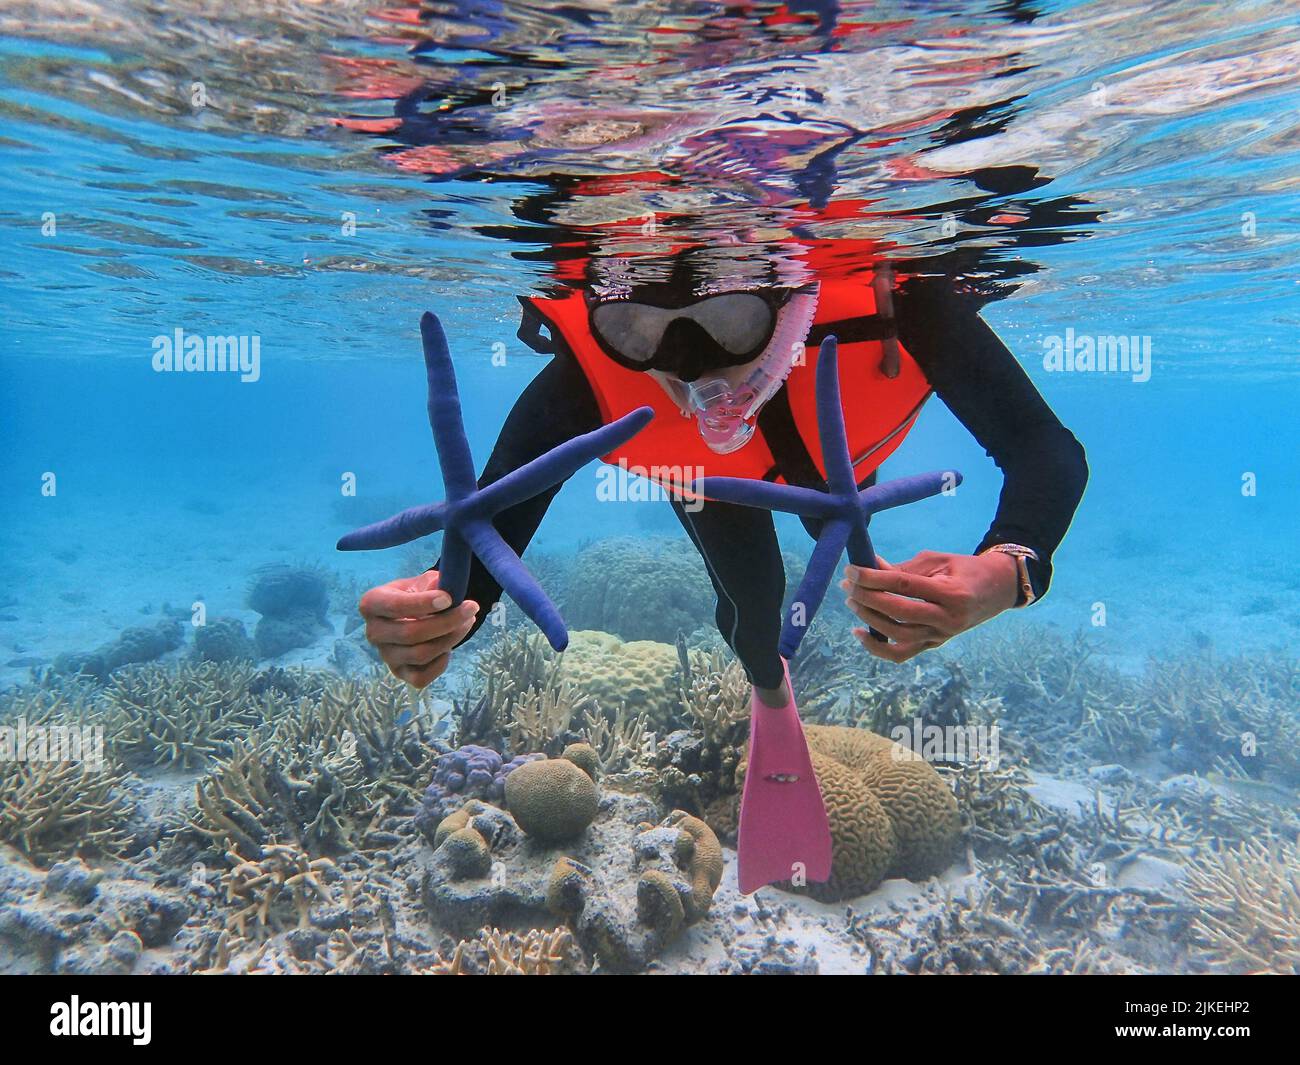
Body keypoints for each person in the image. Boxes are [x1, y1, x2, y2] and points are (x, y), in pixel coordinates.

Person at [355, 246, 1087, 890]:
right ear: (604, 306)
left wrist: (1010, 566)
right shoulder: (589, 372)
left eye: (730, 317)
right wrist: (439, 610)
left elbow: (1044, 448)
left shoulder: (911, 298)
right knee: (755, 603)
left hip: (838, 468)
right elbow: (490, 539)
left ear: (785, 288)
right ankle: (771, 695)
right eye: (637, 328)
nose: (688, 358)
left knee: (805, 546)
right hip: (704, 475)